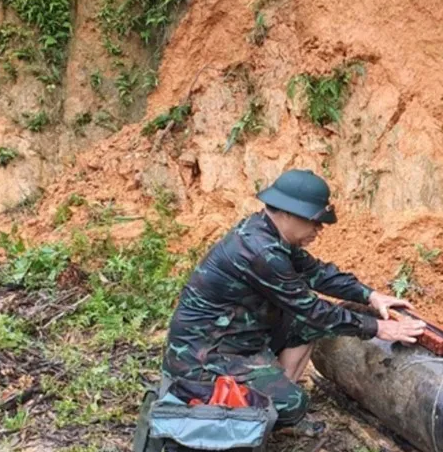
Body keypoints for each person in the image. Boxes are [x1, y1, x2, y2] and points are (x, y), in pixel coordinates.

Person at [162, 168, 426, 434]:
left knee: (305, 330)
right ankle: (259, 405)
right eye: (314, 221)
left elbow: (317, 273)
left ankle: (273, 387)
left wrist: (371, 295)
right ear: (288, 213)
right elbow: (310, 309)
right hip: (203, 358)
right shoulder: (260, 252)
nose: (318, 229)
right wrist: (380, 328)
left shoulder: (270, 234)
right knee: (292, 405)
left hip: (237, 336)